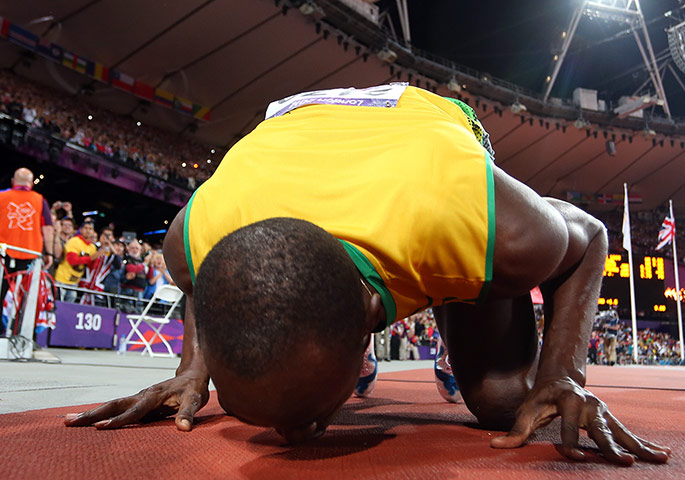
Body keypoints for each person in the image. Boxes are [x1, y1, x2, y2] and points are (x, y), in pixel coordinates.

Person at [65, 84, 670, 465]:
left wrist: (564, 376)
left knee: (508, 403)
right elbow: (202, 274)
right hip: (290, 132)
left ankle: (450, 310)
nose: (293, 437)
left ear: (369, 328)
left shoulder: (487, 227)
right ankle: (321, 364)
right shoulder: (194, 238)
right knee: (495, 396)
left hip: (421, 127)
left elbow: (591, 235)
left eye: (295, 418)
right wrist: (193, 367)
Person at [0, 168, 54, 334]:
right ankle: (21, 334)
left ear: (12, 182)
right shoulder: (40, 200)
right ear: (31, 184)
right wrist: (49, 253)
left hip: (3, 254)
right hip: (30, 255)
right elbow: (48, 229)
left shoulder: (2, 196)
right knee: (26, 297)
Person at [54, 219, 106, 303]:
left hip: (75, 282)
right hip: (62, 279)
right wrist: (91, 258)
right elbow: (72, 260)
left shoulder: (92, 247)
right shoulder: (74, 241)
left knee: (69, 307)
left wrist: (96, 259)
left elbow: (90, 267)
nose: (88, 231)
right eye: (86, 228)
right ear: (81, 230)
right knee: (58, 304)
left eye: (90, 229)